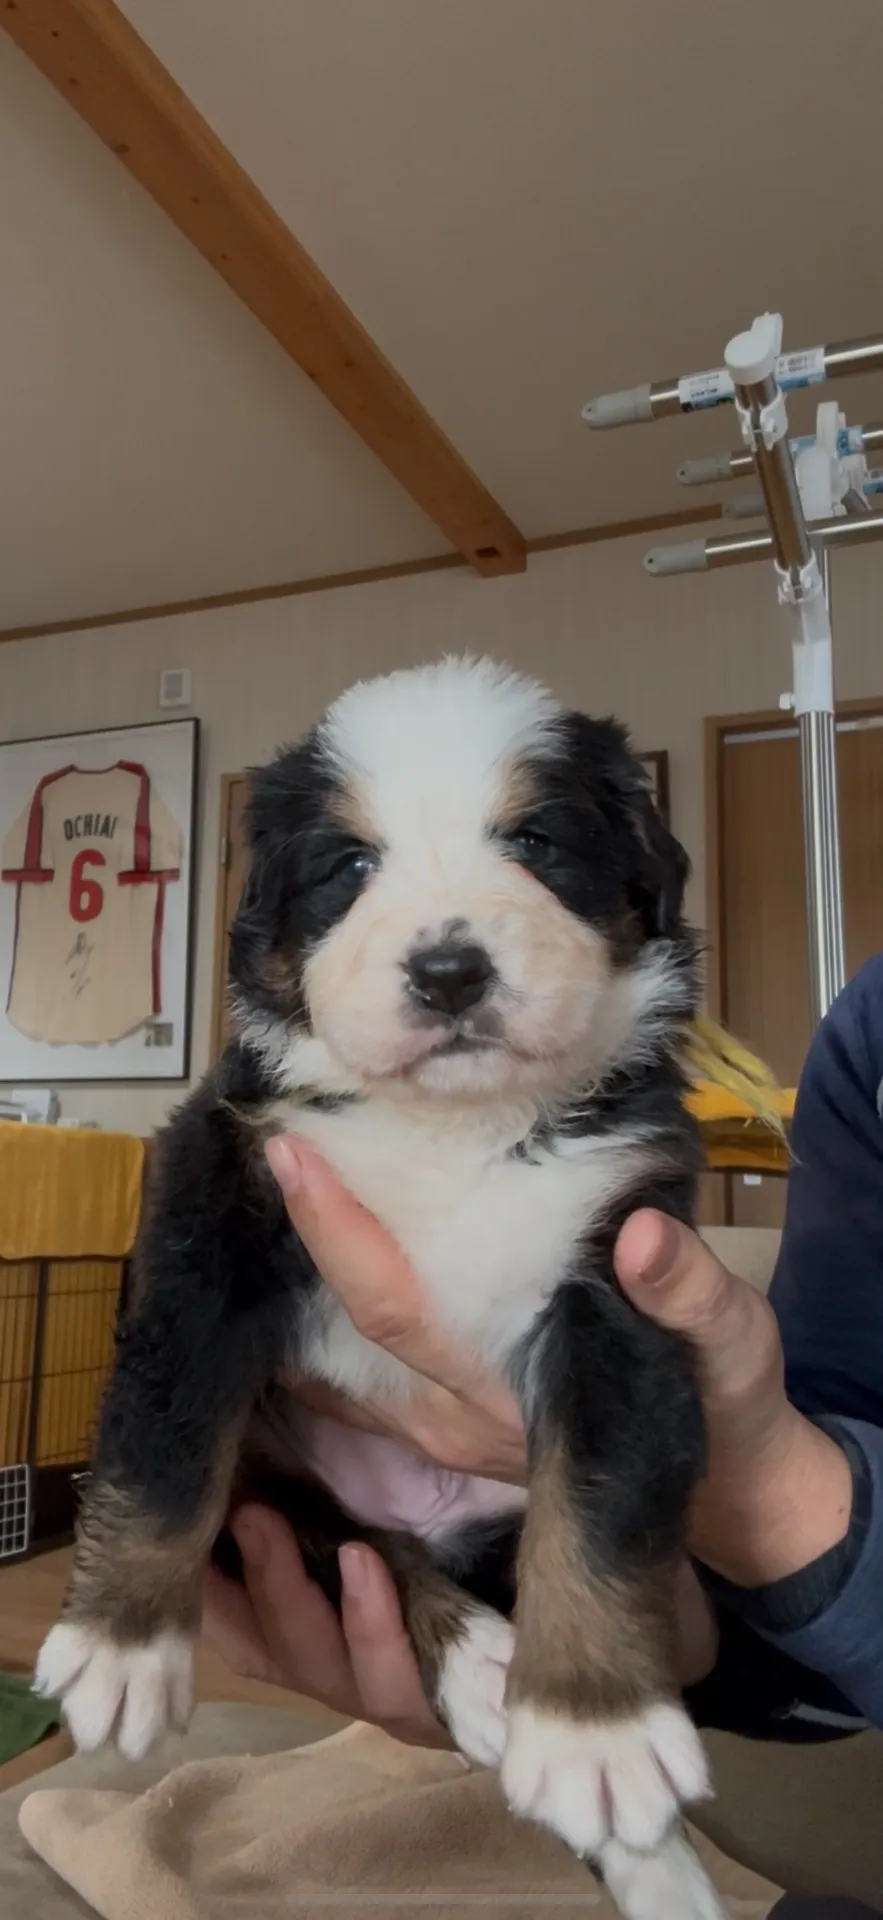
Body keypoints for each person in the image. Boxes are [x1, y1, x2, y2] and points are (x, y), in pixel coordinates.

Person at [204, 952, 883, 1917]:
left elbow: (785, 1493)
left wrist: (750, 1488)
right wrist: (684, 1622)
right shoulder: (865, 1035)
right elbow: (801, 1586)